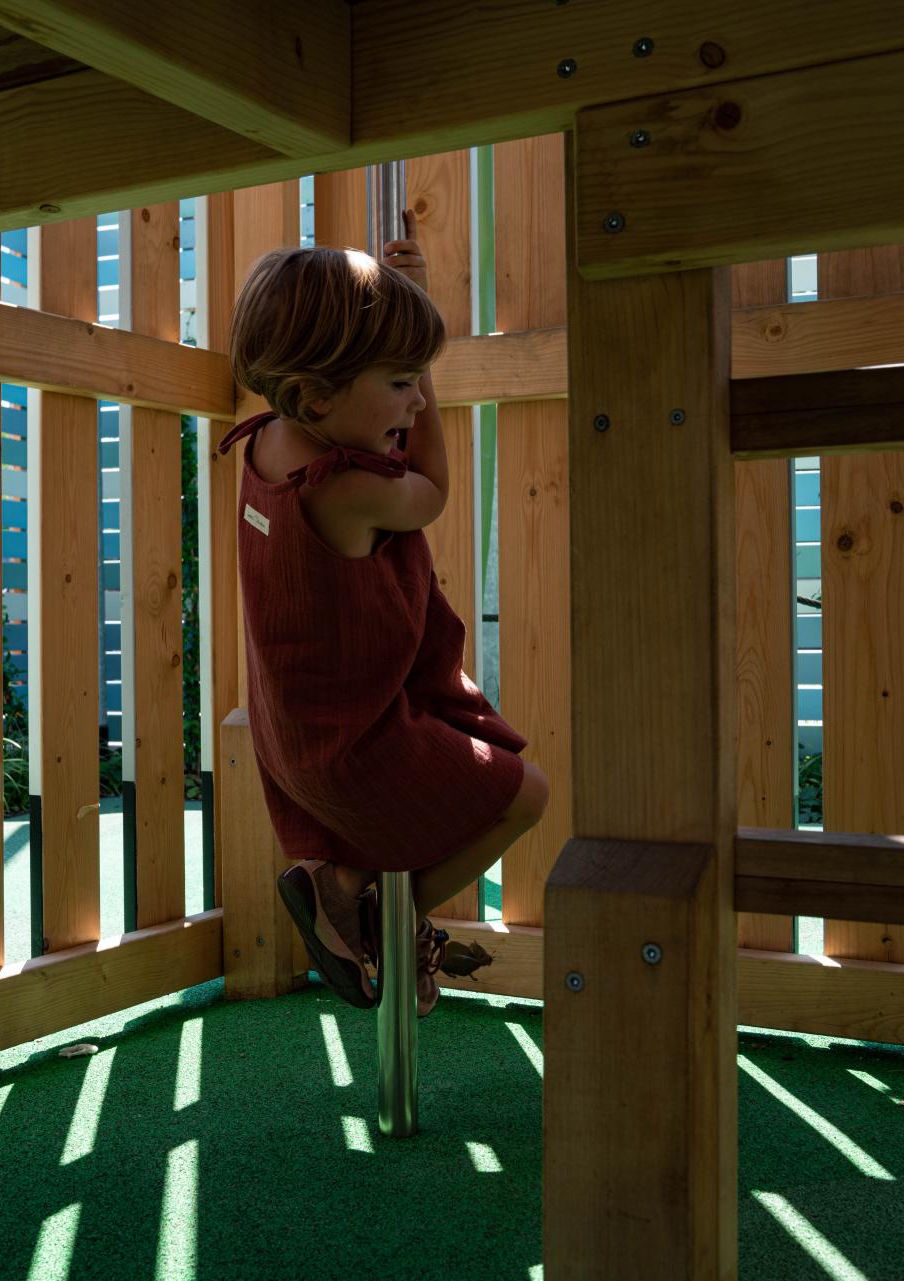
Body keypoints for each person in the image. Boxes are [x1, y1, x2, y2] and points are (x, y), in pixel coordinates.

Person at [216, 213, 550, 1016]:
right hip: (356, 741)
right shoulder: (346, 488)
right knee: (524, 793)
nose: (416, 402)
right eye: (402, 382)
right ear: (316, 394)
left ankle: (353, 891)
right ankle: (372, 915)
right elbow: (429, 493)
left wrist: (406, 309)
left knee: (489, 776)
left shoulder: (268, 449)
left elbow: (372, 429)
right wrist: (427, 398)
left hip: (297, 730)